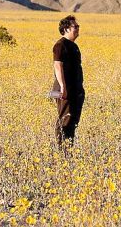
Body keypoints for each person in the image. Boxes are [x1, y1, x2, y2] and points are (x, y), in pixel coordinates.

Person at [52, 15, 84, 148]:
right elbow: (57, 66)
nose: (77, 29)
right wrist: (62, 87)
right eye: (75, 27)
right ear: (66, 29)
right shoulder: (60, 45)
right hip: (64, 90)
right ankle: (62, 149)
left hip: (74, 90)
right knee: (65, 119)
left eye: (78, 26)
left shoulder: (73, 46)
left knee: (72, 120)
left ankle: (69, 148)